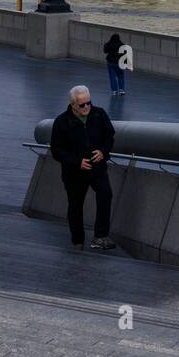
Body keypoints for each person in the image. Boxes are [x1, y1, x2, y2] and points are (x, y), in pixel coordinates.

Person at [48, 85, 116, 251]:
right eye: (82, 105)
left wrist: (103, 152)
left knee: (105, 194)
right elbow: (57, 150)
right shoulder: (61, 122)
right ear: (72, 105)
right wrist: (76, 162)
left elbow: (109, 136)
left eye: (89, 103)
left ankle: (100, 236)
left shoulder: (99, 114)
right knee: (75, 205)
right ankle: (77, 240)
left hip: (97, 168)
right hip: (74, 173)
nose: (87, 107)